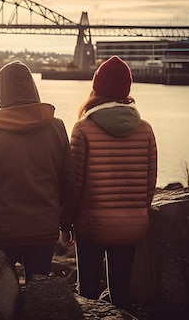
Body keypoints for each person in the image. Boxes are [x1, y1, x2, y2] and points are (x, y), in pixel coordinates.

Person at [65, 55, 157, 312]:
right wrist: (137, 214)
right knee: (122, 292)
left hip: (91, 226)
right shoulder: (146, 129)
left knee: (88, 295)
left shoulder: (83, 129)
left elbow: (75, 186)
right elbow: (150, 184)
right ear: (127, 89)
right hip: (132, 227)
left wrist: (65, 222)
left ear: (97, 87)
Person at [0, 60, 75, 281]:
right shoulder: (56, 127)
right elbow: (68, 182)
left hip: (0, 229)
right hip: (43, 230)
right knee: (39, 298)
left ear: (0, 93)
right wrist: (65, 223)